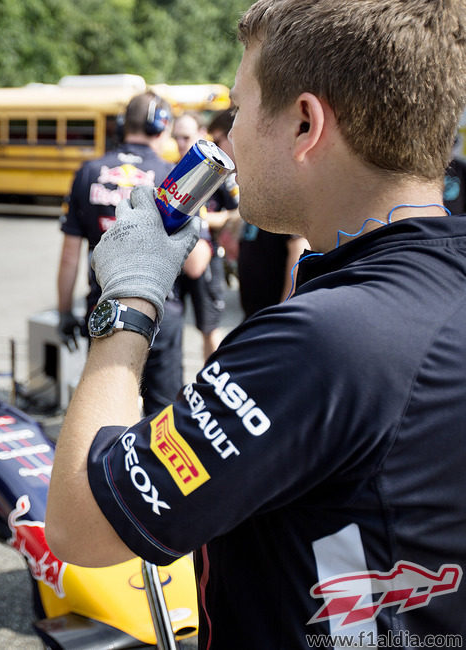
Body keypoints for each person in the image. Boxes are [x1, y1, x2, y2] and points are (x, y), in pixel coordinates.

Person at [46, 1, 466, 647]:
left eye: (239, 111)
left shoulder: (324, 341)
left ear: (304, 123)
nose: (227, 142)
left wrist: (127, 302)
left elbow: (82, 527)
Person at [57, 92, 210, 415]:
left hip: (105, 311)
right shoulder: (176, 178)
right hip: (161, 313)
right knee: (161, 418)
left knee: (104, 412)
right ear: (162, 126)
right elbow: (196, 265)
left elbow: (70, 255)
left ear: (125, 124)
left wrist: (63, 312)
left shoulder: (88, 171)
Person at [206, 109, 311, 319]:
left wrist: (284, 313)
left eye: (218, 141)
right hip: (257, 314)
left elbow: (299, 248)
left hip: (275, 317)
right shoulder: (258, 181)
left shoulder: (278, 182)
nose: (217, 149)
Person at [172, 111, 238, 359]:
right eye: (176, 137)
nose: (180, 143)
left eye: (185, 137)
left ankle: (213, 386)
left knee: (209, 329)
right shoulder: (170, 168)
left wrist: (203, 220)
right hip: (176, 260)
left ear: (201, 135)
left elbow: (237, 214)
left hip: (207, 259)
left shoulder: (218, 172)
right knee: (170, 326)